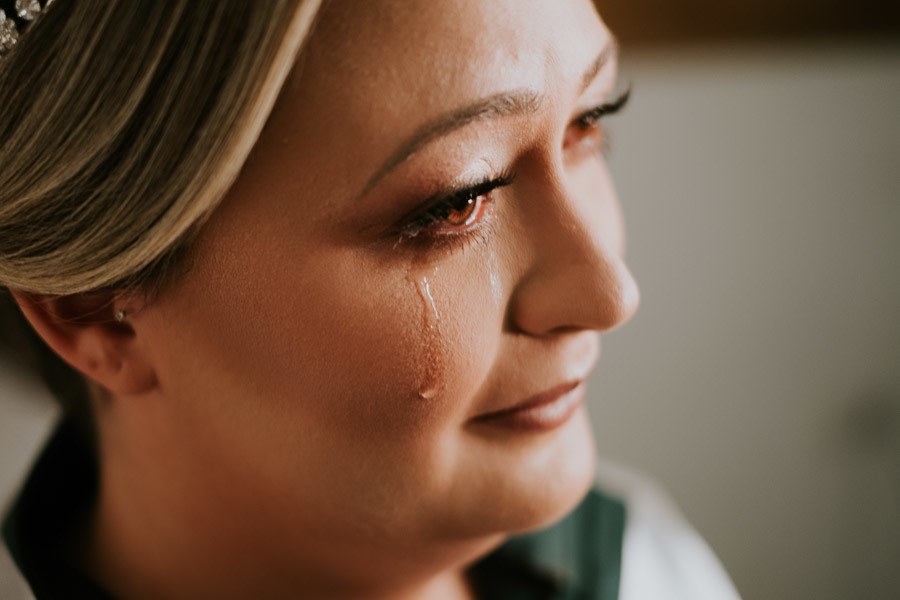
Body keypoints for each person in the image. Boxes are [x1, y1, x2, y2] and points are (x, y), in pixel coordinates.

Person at [0, 1, 742, 598]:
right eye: (457, 202)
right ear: (98, 312)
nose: (611, 294)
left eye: (588, 121)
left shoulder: (651, 562)